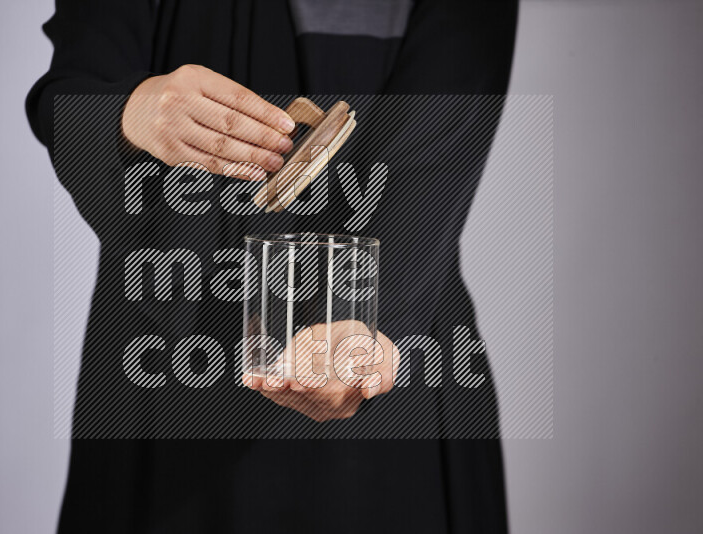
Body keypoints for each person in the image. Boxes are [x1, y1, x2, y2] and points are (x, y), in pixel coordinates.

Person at [27, 1, 518, 532]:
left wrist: (369, 324)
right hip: (165, 362)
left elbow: (445, 132)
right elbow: (70, 91)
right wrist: (130, 111)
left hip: (398, 352)